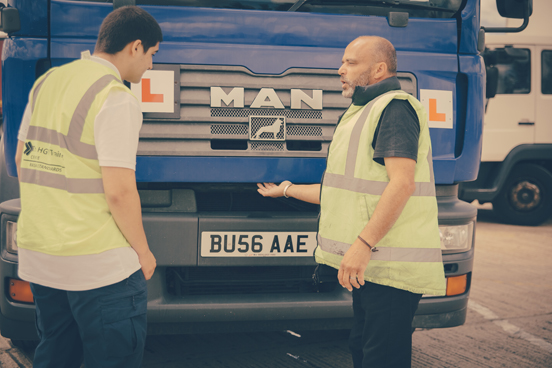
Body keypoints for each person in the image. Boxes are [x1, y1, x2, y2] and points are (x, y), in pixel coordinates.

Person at [258, 36, 446, 368]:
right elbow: (342, 191)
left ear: (379, 69)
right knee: (362, 347)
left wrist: (362, 245)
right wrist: (286, 189)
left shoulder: (394, 109)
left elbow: (401, 184)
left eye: (351, 63)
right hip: (374, 266)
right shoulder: (363, 111)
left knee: (381, 357)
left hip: (390, 268)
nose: (340, 70)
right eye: (343, 62)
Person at [14, 6, 162, 368]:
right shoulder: (115, 97)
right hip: (99, 265)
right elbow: (119, 190)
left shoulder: (48, 81)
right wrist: (143, 252)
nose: (151, 67)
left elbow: (22, 160)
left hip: (42, 256)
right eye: (153, 56)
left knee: (56, 353)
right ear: (136, 46)